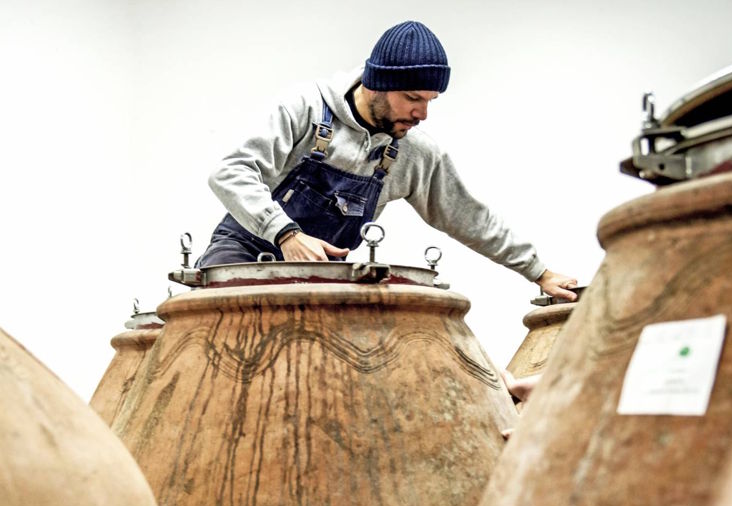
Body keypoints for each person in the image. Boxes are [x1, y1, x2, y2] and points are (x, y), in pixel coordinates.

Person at [198, 20, 578, 303]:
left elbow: (470, 217)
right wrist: (286, 234)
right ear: (376, 84)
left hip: (322, 282)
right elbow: (230, 172)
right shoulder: (305, 109)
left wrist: (538, 272)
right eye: (413, 97)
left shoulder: (412, 154)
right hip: (245, 256)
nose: (422, 114)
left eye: (430, 100)